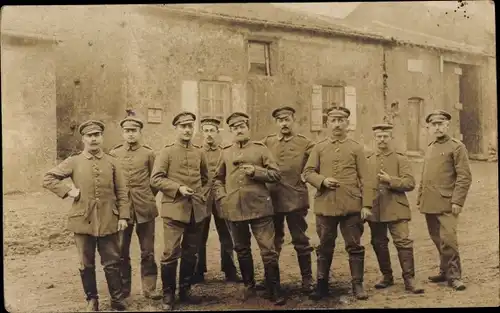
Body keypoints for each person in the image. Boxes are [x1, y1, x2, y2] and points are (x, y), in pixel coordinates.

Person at [43, 120, 130, 311]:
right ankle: (92, 299)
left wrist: (123, 216)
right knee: (86, 263)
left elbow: (122, 191)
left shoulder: (112, 161)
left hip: (109, 219)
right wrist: (68, 191)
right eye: (89, 135)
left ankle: (117, 298)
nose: (93, 139)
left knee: (112, 261)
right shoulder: (74, 161)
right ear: (83, 139)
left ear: (102, 137)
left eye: (97, 135)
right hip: (82, 220)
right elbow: (48, 178)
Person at [213, 112, 286, 305]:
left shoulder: (261, 150)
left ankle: (274, 288)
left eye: (242, 126)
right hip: (234, 209)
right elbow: (217, 179)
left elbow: (276, 174)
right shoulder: (226, 152)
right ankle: (249, 286)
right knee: (241, 249)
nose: (239, 130)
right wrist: (222, 197)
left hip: (260, 208)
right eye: (235, 127)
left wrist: (256, 172)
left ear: (248, 128)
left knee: (268, 250)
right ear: (231, 131)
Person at [303, 106, 375, 301]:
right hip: (325, 206)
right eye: (333, 121)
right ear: (327, 124)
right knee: (325, 246)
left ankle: (357, 285)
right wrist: (323, 181)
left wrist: (366, 205)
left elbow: (367, 178)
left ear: (347, 124)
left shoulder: (356, 148)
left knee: (354, 246)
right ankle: (321, 284)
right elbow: (307, 172)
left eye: (341, 120)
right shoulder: (319, 147)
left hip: (351, 206)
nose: (337, 124)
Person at [150, 111, 209, 310]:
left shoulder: (199, 152)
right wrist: (178, 188)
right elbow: (156, 179)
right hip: (174, 210)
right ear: (176, 128)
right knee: (170, 252)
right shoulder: (166, 152)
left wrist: (201, 198)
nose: (187, 130)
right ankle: (168, 293)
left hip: (196, 210)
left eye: (190, 126)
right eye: (183, 126)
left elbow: (205, 178)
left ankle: (185, 289)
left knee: (191, 252)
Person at [258, 106, 315, 295]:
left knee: (300, 239)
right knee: (273, 241)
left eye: (287, 119)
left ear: (293, 120)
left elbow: (315, 165)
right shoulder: (267, 143)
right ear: (276, 123)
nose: (284, 123)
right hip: (272, 200)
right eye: (280, 120)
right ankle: (270, 279)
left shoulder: (305, 144)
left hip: (295, 199)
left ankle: (307, 278)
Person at [109, 110, 162, 300]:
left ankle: (149, 288)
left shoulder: (149, 153)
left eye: (134, 130)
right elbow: (113, 182)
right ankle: (124, 289)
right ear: (122, 133)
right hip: (123, 210)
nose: (130, 133)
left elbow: (155, 181)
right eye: (127, 130)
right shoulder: (114, 153)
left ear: (140, 132)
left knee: (147, 250)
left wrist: (146, 196)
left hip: (145, 208)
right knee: (121, 250)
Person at [417, 109, 472, 291]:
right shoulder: (430, 147)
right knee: (436, 238)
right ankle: (444, 270)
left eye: (441, 124)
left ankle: (455, 276)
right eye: (434, 124)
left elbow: (464, 177)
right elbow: (425, 176)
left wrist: (457, 201)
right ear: (429, 127)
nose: (437, 127)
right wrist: (420, 198)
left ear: (447, 125)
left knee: (448, 239)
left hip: (447, 203)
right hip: (429, 202)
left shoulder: (457, 147)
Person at [366, 123, 424, 294]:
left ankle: (409, 279)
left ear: (391, 138)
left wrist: (390, 179)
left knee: (403, 242)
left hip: (397, 208)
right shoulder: (367, 160)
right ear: (374, 138)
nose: (382, 140)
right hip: (375, 209)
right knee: (379, 243)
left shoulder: (401, 159)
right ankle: (386, 276)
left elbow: (410, 183)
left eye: (385, 136)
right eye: (379, 136)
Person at [192, 116, 242, 284]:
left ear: (217, 133)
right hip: (203, 197)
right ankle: (198, 271)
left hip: (221, 197)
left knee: (226, 234)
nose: (209, 135)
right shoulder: (196, 151)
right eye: (205, 131)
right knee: (199, 235)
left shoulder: (225, 151)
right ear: (202, 133)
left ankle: (229, 270)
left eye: (212, 131)